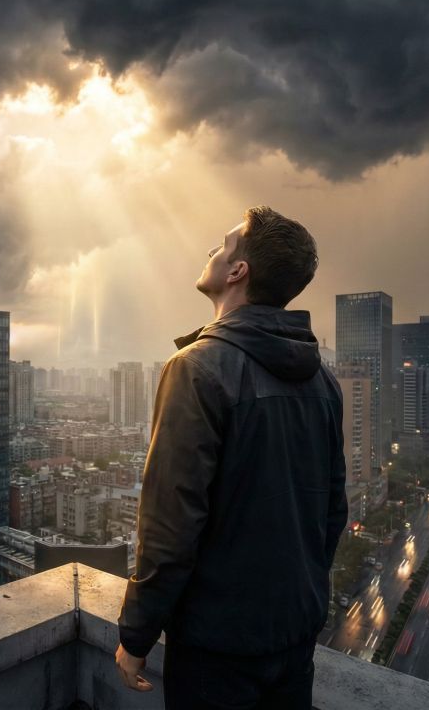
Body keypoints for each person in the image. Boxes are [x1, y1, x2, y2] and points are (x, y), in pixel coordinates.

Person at [115, 206, 348, 709]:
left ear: (238, 271)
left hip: (216, 644)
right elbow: (333, 509)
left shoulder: (196, 368)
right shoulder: (323, 380)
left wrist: (136, 635)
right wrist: (302, 594)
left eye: (222, 246)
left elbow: (170, 526)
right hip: (295, 634)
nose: (210, 252)